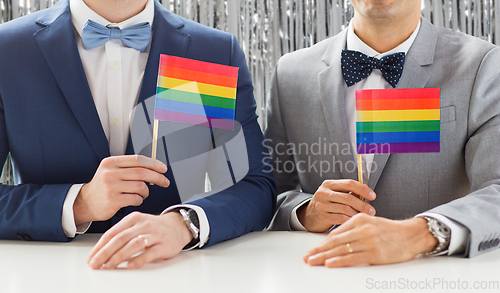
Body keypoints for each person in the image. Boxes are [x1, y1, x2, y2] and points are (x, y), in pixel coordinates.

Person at [0, 0, 276, 269]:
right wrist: (77, 204)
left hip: (174, 271)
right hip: (46, 275)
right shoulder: (8, 50)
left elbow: (253, 186)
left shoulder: (212, 51)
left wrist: (183, 223)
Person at [265, 0, 500, 267]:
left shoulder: (481, 65)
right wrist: (304, 212)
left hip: (430, 277)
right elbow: (264, 194)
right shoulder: (290, 73)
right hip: (323, 275)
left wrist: (420, 233)